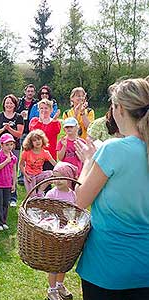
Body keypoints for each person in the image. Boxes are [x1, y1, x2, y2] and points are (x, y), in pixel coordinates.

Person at [75, 78, 149, 299]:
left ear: (120, 109)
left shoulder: (113, 149)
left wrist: (88, 161)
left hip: (105, 268)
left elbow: (80, 200)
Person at [44, 162, 78, 300]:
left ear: (69, 178)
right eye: (54, 177)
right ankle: (51, 289)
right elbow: (45, 211)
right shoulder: (52, 193)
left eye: (61, 178)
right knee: (54, 263)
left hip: (67, 234)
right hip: (54, 234)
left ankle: (59, 285)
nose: (57, 181)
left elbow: (76, 212)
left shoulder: (73, 195)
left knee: (63, 263)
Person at [0, 94, 24, 206]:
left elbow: (19, 134)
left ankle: (12, 197)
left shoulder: (19, 117)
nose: (9, 105)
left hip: (14, 148)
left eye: (11, 103)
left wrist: (10, 129)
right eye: (7, 103)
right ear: (4, 104)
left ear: (15, 105)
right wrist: (3, 129)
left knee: (11, 170)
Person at [0, 134, 17, 232]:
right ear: (1, 145)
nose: (9, 147)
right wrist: (6, 161)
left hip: (8, 183)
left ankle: (3, 221)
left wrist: (13, 184)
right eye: (7, 144)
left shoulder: (13, 157)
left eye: (11, 144)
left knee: (6, 203)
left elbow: (14, 171)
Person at [19, 129, 56, 195]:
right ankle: (32, 199)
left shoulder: (45, 153)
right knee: (32, 197)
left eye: (39, 139)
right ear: (31, 142)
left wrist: (62, 169)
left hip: (39, 174)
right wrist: (26, 175)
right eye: (34, 140)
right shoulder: (26, 152)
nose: (37, 142)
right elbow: (21, 165)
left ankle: (40, 191)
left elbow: (55, 164)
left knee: (50, 173)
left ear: (42, 140)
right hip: (29, 176)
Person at [29, 99, 61, 171]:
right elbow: (34, 133)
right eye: (41, 108)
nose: (44, 110)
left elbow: (56, 131)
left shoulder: (55, 122)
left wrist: (54, 120)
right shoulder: (34, 121)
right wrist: (40, 121)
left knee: (48, 179)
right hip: (36, 156)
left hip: (50, 157)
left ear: (51, 110)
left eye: (46, 108)